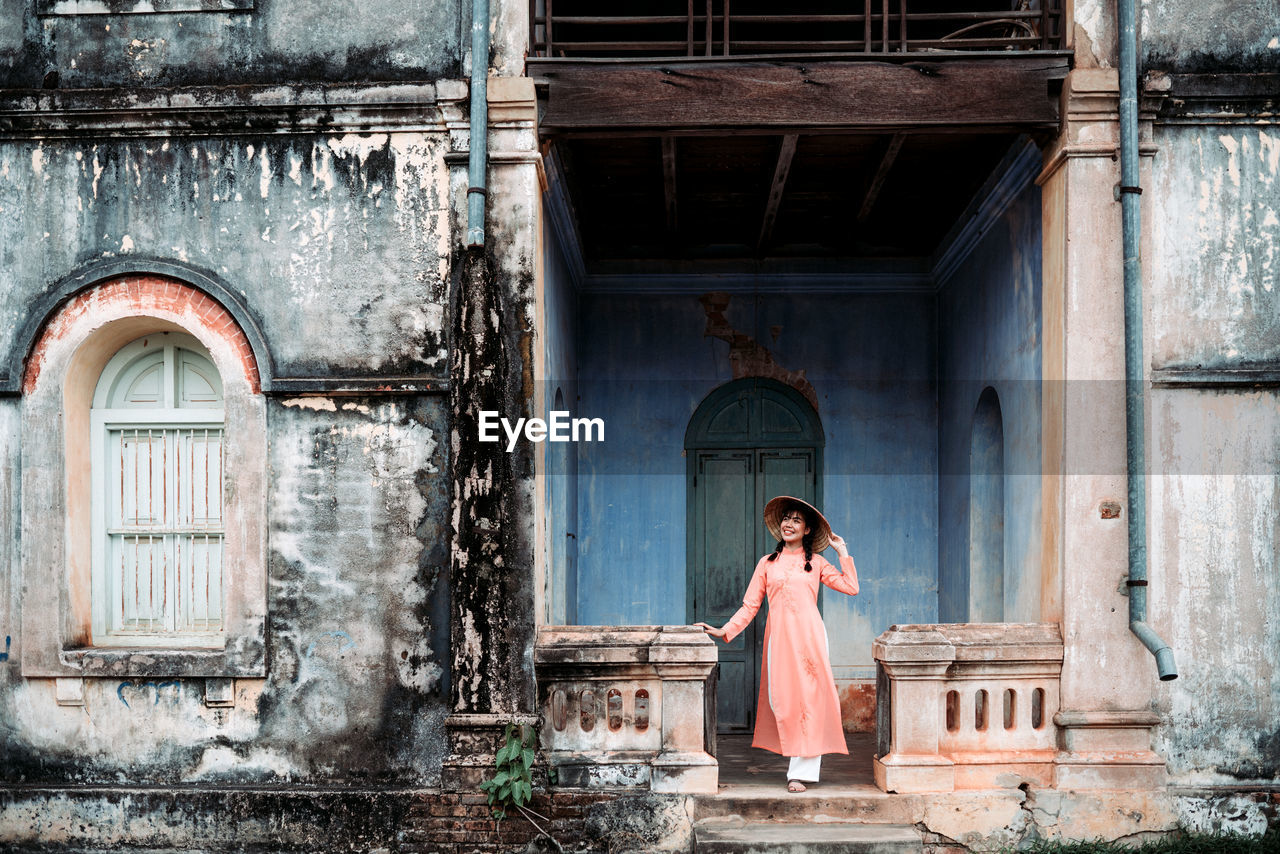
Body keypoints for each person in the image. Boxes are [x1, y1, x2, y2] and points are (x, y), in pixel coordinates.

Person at [695, 495, 860, 793]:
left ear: (807, 530)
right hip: (780, 639)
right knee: (784, 701)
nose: (789, 523)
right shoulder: (767, 563)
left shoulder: (817, 563)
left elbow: (852, 587)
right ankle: (795, 761)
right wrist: (725, 630)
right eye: (787, 518)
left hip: (810, 638)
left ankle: (800, 773)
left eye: (797, 520)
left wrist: (842, 550)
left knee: (809, 700)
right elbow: (750, 606)